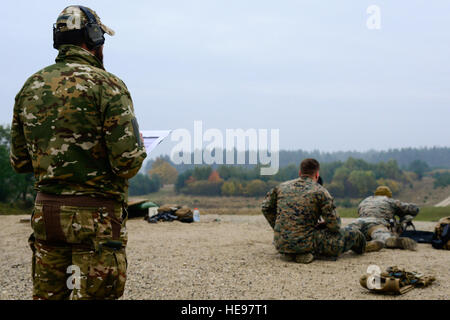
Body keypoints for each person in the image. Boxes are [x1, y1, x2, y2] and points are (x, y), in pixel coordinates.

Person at [10, 6, 147, 299]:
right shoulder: (109, 87)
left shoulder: (30, 86)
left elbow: (20, 162)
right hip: (96, 219)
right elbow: (127, 163)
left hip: (46, 217)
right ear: (94, 37)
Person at [262, 158, 366, 264]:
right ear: (317, 174)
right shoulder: (320, 191)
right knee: (354, 233)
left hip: (281, 243)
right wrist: (323, 225)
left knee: (307, 237)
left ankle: (291, 253)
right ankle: (365, 247)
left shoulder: (280, 187)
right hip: (307, 242)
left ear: (300, 173)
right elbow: (335, 226)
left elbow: (266, 207)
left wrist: (281, 228)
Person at [345, 186, 419, 252]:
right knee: (380, 234)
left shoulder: (365, 200)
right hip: (377, 223)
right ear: (388, 195)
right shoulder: (389, 200)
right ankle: (387, 240)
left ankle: (356, 243)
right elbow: (413, 209)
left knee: (347, 234)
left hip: (359, 221)